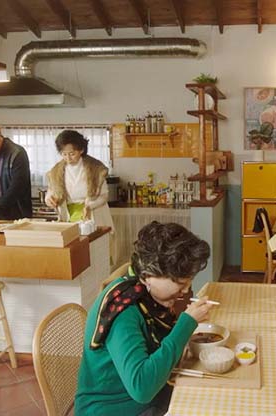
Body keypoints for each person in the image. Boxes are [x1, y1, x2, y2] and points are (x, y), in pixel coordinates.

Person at [75, 222, 213, 416]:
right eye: (181, 283)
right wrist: (186, 325)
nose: (185, 291)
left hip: (147, 398)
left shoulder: (144, 294)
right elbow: (142, 388)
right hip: (111, 409)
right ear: (148, 275)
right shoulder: (122, 311)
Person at [44, 130, 113, 229]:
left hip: (94, 215)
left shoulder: (96, 168)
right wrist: (49, 200)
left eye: (72, 154)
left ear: (81, 150)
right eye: (64, 154)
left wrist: (89, 206)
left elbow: (104, 196)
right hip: (68, 217)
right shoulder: (56, 171)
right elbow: (50, 193)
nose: (68, 158)